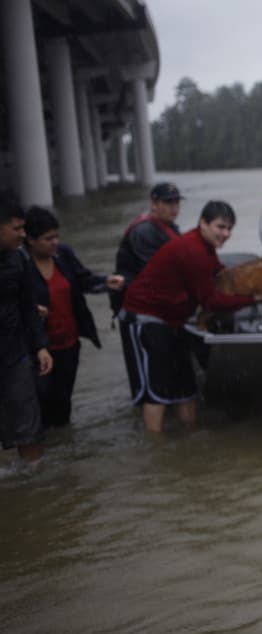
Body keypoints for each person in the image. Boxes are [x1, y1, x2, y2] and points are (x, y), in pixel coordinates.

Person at [120, 201, 255, 433]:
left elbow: (221, 275)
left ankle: (190, 439)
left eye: (229, 229)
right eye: (220, 227)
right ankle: (156, 446)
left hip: (174, 320)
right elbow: (211, 301)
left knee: (185, 387)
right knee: (157, 391)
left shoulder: (206, 247)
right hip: (145, 318)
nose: (225, 234)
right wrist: (255, 299)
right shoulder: (193, 251)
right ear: (203, 223)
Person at [22, 206, 124, 427]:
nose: (55, 242)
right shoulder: (20, 264)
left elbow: (82, 278)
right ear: (30, 239)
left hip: (69, 344)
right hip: (38, 350)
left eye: (57, 236)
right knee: (40, 405)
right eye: (48, 239)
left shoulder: (63, 255)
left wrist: (105, 281)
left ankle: (64, 451)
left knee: (63, 404)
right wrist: (30, 309)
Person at [0, 192, 53, 462]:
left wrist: (41, 346)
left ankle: (36, 484)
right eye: (16, 228)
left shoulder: (18, 259)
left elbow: (27, 305)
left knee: (30, 428)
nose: (22, 235)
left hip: (15, 355)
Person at [112, 181, 183, 313]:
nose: (174, 208)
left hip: (154, 301)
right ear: (154, 204)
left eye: (177, 202)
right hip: (138, 306)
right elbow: (156, 272)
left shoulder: (169, 226)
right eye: (168, 203)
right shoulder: (144, 232)